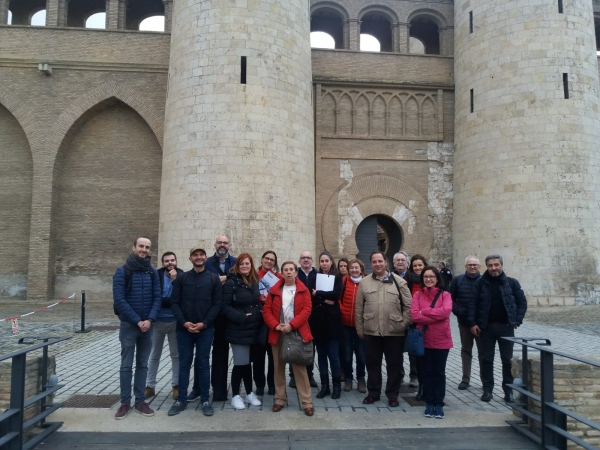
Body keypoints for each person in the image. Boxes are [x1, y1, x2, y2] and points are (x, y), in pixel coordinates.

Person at [168, 246, 222, 417]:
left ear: (205, 257)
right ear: (190, 258)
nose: (198, 257)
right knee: (184, 364)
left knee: (203, 364)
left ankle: (205, 399)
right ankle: (181, 400)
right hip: (184, 330)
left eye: (201, 255)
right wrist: (184, 323)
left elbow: (216, 304)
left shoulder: (213, 279)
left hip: (205, 329)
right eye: (195, 255)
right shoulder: (182, 279)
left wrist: (204, 323)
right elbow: (174, 303)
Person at [113, 236, 161, 420]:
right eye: (141, 246)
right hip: (129, 325)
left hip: (147, 326)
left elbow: (157, 298)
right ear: (134, 247)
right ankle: (125, 402)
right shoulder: (122, 271)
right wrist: (137, 320)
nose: (144, 249)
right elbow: (120, 300)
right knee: (126, 365)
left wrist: (149, 319)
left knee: (142, 364)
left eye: (147, 247)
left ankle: (140, 400)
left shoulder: (153, 272)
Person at [355, 251, 412, 408]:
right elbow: (359, 307)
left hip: (394, 331)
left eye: (380, 261)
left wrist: (403, 324)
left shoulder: (399, 282)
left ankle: (392, 395)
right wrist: (360, 328)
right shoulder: (364, 283)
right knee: (372, 364)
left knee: (394, 365)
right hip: (371, 331)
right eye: (374, 262)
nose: (378, 264)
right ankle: (373, 393)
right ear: (371, 264)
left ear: (386, 262)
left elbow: (409, 306)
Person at [469, 254, 527, 403]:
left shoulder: (512, 283)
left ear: (501, 265)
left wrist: (517, 320)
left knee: (507, 360)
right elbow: (472, 304)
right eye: (490, 265)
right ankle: (487, 390)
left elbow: (522, 302)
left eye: (496, 265)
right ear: (486, 267)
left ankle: (508, 391)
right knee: (487, 359)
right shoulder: (480, 283)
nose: (493, 268)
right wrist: (473, 323)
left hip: (506, 327)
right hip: (486, 328)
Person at [263, 261, 315, 416]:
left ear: (296, 272)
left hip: (296, 332)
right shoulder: (275, 290)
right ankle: (279, 399)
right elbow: (266, 310)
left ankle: (307, 402)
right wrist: (275, 325)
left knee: (300, 369)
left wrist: (291, 325)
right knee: (278, 368)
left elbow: (306, 310)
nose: (288, 272)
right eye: (285, 270)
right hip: (278, 332)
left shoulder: (302, 290)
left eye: (291, 269)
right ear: (282, 272)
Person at [221, 254, 263, 410]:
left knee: (247, 363)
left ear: (251, 265)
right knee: (239, 363)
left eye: (248, 263)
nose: (245, 266)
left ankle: (249, 393)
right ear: (237, 266)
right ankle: (235, 396)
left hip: (253, 328)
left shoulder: (254, 281)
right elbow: (225, 306)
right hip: (238, 328)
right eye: (242, 264)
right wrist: (241, 317)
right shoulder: (231, 283)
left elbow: (254, 302)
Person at [410, 266, 453, 419]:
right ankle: (429, 403)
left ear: (437, 278)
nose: (428, 279)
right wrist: (435, 315)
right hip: (424, 340)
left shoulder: (445, 295)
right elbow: (415, 316)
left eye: (431, 276)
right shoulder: (417, 295)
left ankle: (439, 403)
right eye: (426, 277)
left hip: (442, 340)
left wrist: (425, 311)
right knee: (427, 373)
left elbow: (446, 312)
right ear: (422, 279)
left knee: (439, 373)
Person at [145, 252, 184, 401]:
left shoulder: (182, 276)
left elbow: (180, 298)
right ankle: (150, 385)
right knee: (155, 354)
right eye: (167, 261)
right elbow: (155, 297)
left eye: (172, 260)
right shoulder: (156, 275)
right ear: (162, 263)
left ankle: (176, 385)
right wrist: (168, 301)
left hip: (175, 321)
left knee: (176, 355)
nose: (170, 263)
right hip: (157, 321)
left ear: (176, 261)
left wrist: (174, 281)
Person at [203, 235, 237, 402]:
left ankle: (238, 390)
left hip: (233, 313)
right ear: (215, 245)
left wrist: (225, 278)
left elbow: (239, 278)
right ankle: (218, 392)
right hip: (216, 315)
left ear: (229, 245)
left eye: (225, 242)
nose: (222, 245)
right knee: (218, 353)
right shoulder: (208, 263)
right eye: (219, 242)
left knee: (239, 354)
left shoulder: (236, 262)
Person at [308, 251, 343, 399]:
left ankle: (336, 387)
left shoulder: (337, 277)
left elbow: (336, 295)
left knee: (333, 356)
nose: (324, 263)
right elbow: (311, 297)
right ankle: (324, 387)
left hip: (332, 322)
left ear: (331, 262)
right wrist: (324, 299)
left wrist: (319, 294)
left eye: (326, 261)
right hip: (318, 321)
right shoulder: (314, 277)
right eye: (321, 261)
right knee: (321, 355)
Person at [449, 256, 482, 390]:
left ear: (479, 266)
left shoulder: (485, 281)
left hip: (481, 324)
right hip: (464, 322)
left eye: (475, 265)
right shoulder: (458, 280)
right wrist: (458, 311)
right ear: (465, 267)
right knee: (466, 350)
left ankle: (484, 379)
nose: (472, 267)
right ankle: (465, 379)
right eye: (470, 265)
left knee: (483, 352)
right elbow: (450, 299)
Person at [288, 251, 318, 389]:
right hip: (296, 317)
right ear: (299, 261)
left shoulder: (319, 275)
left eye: (308, 258)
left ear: (312, 261)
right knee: (294, 345)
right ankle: (293, 376)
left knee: (309, 348)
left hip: (314, 318)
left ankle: (309, 375)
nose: (306, 260)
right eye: (303, 258)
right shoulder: (295, 275)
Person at [253, 250, 280, 396]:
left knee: (272, 355)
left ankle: (272, 384)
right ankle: (259, 384)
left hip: (272, 320)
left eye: (272, 260)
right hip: (257, 319)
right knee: (258, 355)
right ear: (262, 259)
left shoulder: (278, 278)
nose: (269, 261)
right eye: (267, 258)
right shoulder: (254, 276)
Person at [339, 258, 367, 393]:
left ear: (361, 269)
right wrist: (342, 310)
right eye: (352, 268)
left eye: (357, 268)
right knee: (347, 353)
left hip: (361, 325)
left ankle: (361, 378)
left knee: (361, 354)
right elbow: (338, 299)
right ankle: (348, 379)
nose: (354, 270)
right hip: (345, 325)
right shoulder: (344, 281)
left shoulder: (367, 282)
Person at [393, 251, 417, 387]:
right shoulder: (390, 277)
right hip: (396, 317)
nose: (400, 262)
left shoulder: (413, 278)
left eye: (403, 260)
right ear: (394, 263)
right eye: (398, 260)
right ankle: (399, 375)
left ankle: (414, 376)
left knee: (412, 349)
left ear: (407, 263)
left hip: (412, 318)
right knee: (397, 349)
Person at [405, 253, 428, 394]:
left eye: (420, 265)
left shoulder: (430, 279)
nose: (418, 268)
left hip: (428, 321)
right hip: (413, 321)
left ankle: (426, 377)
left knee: (428, 350)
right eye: (415, 266)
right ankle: (414, 375)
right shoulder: (408, 281)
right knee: (414, 350)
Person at [336, 257, 350, 382]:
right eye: (341, 266)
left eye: (345, 266)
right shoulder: (337, 280)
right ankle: (342, 372)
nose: (343, 268)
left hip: (352, 320)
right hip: (340, 319)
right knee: (342, 348)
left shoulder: (352, 280)